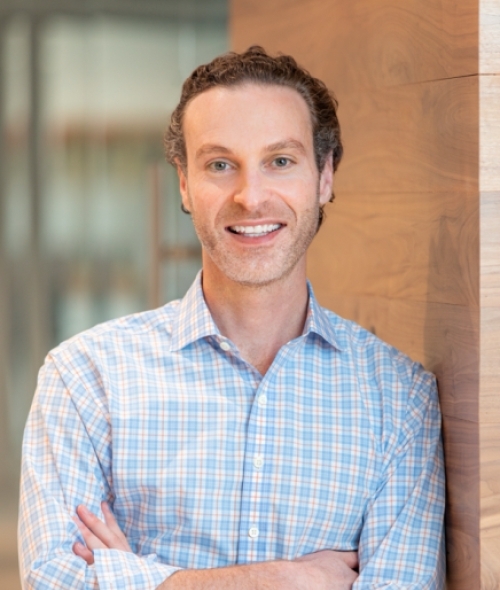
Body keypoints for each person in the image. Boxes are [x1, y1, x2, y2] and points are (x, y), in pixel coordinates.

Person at [18, 46, 445, 589]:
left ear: (325, 176)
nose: (251, 196)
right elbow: (54, 582)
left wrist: (138, 577)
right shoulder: (85, 378)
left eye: (281, 161)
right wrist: (288, 580)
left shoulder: (400, 401)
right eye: (220, 165)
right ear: (183, 183)